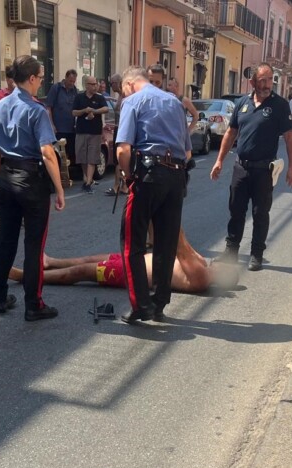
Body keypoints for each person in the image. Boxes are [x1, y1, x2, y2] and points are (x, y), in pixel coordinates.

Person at [0, 55, 67, 321]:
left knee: (6, 239)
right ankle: (34, 304)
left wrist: (1, 177)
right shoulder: (36, 110)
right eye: (41, 78)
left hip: (7, 177)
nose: (41, 82)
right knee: (34, 244)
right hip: (32, 180)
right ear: (31, 78)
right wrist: (59, 189)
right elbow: (47, 152)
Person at [115, 66, 192, 324]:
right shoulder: (174, 102)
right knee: (165, 243)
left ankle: (141, 305)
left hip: (148, 175)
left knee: (132, 242)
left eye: (123, 91)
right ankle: (159, 303)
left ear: (129, 84)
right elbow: (188, 152)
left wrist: (129, 177)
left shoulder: (133, 101)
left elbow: (123, 150)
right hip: (176, 176)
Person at [210, 63, 292, 271]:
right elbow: (231, 133)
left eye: (270, 80)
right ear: (252, 82)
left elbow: (289, 137)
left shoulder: (280, 105)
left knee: (260, 213)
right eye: (263, 80)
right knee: (236, 210)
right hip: (241, 168)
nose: (267, 84)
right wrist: (219, 160)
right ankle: (231, 250)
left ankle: (256, 253)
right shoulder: (242, 103)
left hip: (264, 170)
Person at [8, 230, 234, 294]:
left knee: (82, 272)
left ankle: (29, 277)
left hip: (129, 272)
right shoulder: (204, 265)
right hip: (134, 260)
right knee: (88, 258)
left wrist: (169, 198)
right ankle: (51, 262)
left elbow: (179, 243)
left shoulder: (201, 278)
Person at [72, 75, 109, 193]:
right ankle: (87, 178)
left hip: (95, 132)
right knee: (82, 158)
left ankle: (88, 183)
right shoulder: (79, 97)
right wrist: (84, 111)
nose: (95, 86)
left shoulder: (99, 98)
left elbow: (106, 109)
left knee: (92, 158)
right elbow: (74, 112)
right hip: (81, 131)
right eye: (92, 84)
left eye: (96, 84)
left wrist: (94, 111)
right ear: (86, 85)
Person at [46, 69, 79, 166]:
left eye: (73, 81)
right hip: (58, 129)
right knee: (59, 154)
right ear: (65, 78)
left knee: (70, 155)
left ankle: (68, 174)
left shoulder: (74, 90)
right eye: (70, 81)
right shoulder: (56, 88)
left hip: (71, 129)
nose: (72, 83)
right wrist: (52, 125)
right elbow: (48, 107)